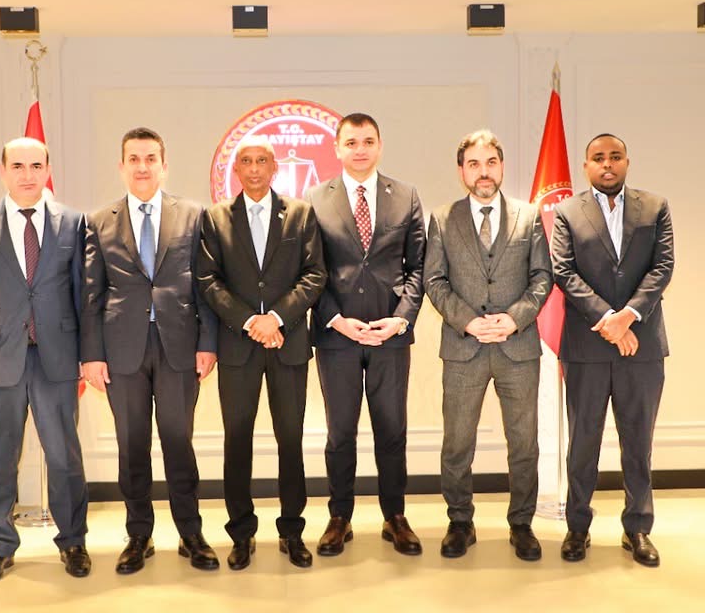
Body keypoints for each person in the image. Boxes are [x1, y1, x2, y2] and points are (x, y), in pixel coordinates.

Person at [81, 127, 220, 574]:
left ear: (164, 165)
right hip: (122, 352)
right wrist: (91, 354)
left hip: (180, 347)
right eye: (134, 159)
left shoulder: (193, 215)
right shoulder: (98, 221)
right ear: (121, 166)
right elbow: (90, 293)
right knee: (132, 445)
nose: (142, 167)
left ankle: (190, 532)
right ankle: (139, 534)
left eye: (150, 158)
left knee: (179, 442)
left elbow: (206, 286)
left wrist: (208, 343)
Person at [0, 137, 90, 585]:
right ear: (3, 171)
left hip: (58, 358)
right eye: (17, 166)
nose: (27, 174)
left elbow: (84, 296)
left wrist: (88, 355)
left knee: (64, 458)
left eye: (35, 165)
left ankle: (73, 541)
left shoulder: (74, 223)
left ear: (48, 169)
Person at [197, 135, 326, 570]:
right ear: (236, 170)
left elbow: (314, 275)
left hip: (288, 344)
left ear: (274, 168)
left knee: (291, 439)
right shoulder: (215, 218)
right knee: (238, 440)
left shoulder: (301, 213)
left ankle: (292, 530)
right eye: (246, 161)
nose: (254, 168)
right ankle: (241, 533)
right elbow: (208, 280)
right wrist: (251, 321)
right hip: (238, 346)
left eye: (262, 161)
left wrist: (277, 318)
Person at [424, 129, 552, 561]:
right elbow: (434, 280)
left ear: (502, 166)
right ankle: (460, 521)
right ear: (461, 170)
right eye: (474, 164)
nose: (484, 172)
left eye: (491, 162)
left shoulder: (528, 216)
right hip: (464, 348)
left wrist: (514, 319)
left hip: (518, 348)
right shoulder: (443, 218)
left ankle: (522, 524)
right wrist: (469, 321)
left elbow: (542, 277)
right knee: (457, 442)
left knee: (524, 442)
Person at [304, 112, 426, 557]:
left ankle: (395, 516)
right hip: (337, 336)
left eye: (368, 141)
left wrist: (401, 318)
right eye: (351, 142)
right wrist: (335, 319)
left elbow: (419, 268)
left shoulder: (405, 196)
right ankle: (340, 517)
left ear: (379, 146)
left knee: (392, 430)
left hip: (389, 334)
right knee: (340, 433)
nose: (360, 149)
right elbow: (310, 271)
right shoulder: (315, 199)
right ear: (337, 148)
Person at [551, 133, 674, 567]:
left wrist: (629, 316)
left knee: (638, 442)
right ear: (586, 166)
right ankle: (577, 527)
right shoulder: (568, 212)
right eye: (598, 158)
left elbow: (663, 267)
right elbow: (563, 271)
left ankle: (637, 528)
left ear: (626, 161)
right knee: (583, 442)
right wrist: (608, 319)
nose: (607, 164)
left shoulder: (655, 207)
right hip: (586, 347)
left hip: (642, 345)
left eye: (615, 157)